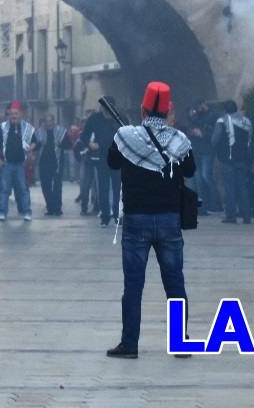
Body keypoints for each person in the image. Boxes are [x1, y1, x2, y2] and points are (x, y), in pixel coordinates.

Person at [105, 82, 194, 359]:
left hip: (136, 220)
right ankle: (179, 342)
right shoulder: (179, 139)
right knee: (175, 283)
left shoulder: (127, 136)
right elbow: (190, 170)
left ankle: (130, 344)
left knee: (133, 285)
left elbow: (112, 162)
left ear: (143, 110)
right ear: (168, 111)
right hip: (169, 219)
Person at [0, 101, 35, 221]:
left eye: (16, 113)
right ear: (8, 114)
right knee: (4, 189)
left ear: (20, 114)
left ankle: (27, 211)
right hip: (6, 164)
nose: (13, 116)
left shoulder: (27, 128)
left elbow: (36, 141)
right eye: (11, 114)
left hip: (20, 164)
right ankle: (2, 212)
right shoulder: (2, 127)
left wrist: (32, 147)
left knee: (23, 189)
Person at [213, 100, 253, 224]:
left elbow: (215, 139)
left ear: (225, 110)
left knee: (230, 187)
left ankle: (231, 215)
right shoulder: (246, 121)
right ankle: (246, 215)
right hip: (243, 158)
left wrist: (217, 151)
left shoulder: (222, 121)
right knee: (242, 187)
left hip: (227, 157)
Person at [80, 103, 120, 225]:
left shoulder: (119, 117)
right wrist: (90, 144)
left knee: (117, 188)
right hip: (102, 157)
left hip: (117, 157)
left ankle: (118, 215)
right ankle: (105, 216)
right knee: (103, 188)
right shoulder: (95, 118)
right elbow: (84, 135)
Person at [36, 114, 66, 216]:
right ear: (44, 122)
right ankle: (50, 207)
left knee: (57, 186)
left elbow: (69, 144)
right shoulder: (39, 132)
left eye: (50, 121)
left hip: (57, 162)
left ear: (54, 121)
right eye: (46, 121)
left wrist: (60, 144)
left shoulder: (61, 131)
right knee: (45, 186)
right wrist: (40, 143)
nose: (48, 123)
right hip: (44, 162)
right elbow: (34, 145)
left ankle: (57, 208)